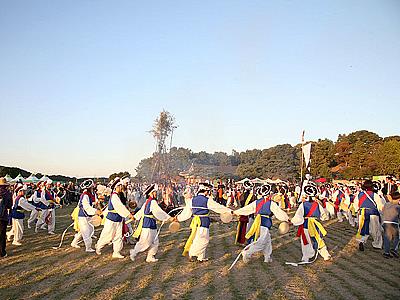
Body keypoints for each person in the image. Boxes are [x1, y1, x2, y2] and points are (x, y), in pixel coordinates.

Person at [234, 184, 290, 263]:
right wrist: (287, 219)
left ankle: (267, 257)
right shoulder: (271, 203)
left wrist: (236, 212)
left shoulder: (257, 202)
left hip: (257, 221)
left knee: (267, 240)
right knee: (262, 242)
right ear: (269, 193)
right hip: (264, 222)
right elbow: (279, 212)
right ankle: (247, 252)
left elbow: (247, 209)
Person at [177, 182, 232, 262]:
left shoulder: (192, 200)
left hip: (195, 221)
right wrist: (229, 211)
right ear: (206, 191)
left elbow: (186, 212)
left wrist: (178, 218)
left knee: (197, 238)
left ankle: (201, 257)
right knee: (203, 240)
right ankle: (192, 253)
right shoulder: (207, 200)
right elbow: (218, 207)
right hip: (202, 221)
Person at [130, 184, 173, 263]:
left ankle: (150, 256)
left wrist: (135, 217)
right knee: (145, 241)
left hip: (150, 223)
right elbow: (158, 212)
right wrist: (169, 218)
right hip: (148, 223)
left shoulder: (148, 201)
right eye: (154, 192)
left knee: (155, 241)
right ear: (151, 193)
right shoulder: (152, 201)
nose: (156, 194)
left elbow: (141, 211)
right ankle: (134, 252)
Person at [95, 177, 135, 258]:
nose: (122, 187)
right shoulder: (114, 196)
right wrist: (128, 214)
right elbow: (119, 207)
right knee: (108, 235)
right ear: (117, 187)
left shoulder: (118, 195)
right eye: (120, 186)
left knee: (118, 236)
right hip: (112, 219)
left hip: (118, 219)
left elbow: (122, 206)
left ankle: (116, 252)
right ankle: (98, 246)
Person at [291, 184, 331, 262]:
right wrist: (323, 218)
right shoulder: (317, 204)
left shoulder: (303, 204)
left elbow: (299, 215)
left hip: (306, 224)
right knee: (318, 239)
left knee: (306, 241)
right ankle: (325, 255)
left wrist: (293, 221)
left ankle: (307, 256)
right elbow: (323, 215)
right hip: (315, 224)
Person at [353, 180, 385, 251]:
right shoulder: (375, 195)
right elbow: (380, 206)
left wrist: (357, 211)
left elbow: (355, 204)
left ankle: (362, 241)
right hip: (373, 213)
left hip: (362, 213)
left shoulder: (359, 194)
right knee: (375, 230)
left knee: (364, 228)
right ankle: (377, 244)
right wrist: (381, 214)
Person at [70, 179, 102, 252]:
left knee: (85, 231)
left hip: (88, 215)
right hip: (83, 215)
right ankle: (88, 247)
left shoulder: (93, 193)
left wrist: (98, 206)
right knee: (86, 231)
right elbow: (86, 206)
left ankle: (74, 242)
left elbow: (95, 202)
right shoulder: (85, 195)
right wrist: (95, 211)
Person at [381, 192, 400, 258]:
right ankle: (394, 249)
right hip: (394, 223)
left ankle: (386, 252)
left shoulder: (386, 204)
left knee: (387, 238)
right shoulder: (398, 206)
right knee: (397, 237)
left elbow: (382, 211)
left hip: (385, 222)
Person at [0, 178, 12, 258]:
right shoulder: (7, 193)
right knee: (2, 234)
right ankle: (2, 252)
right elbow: (9, 205)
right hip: (2, 217)